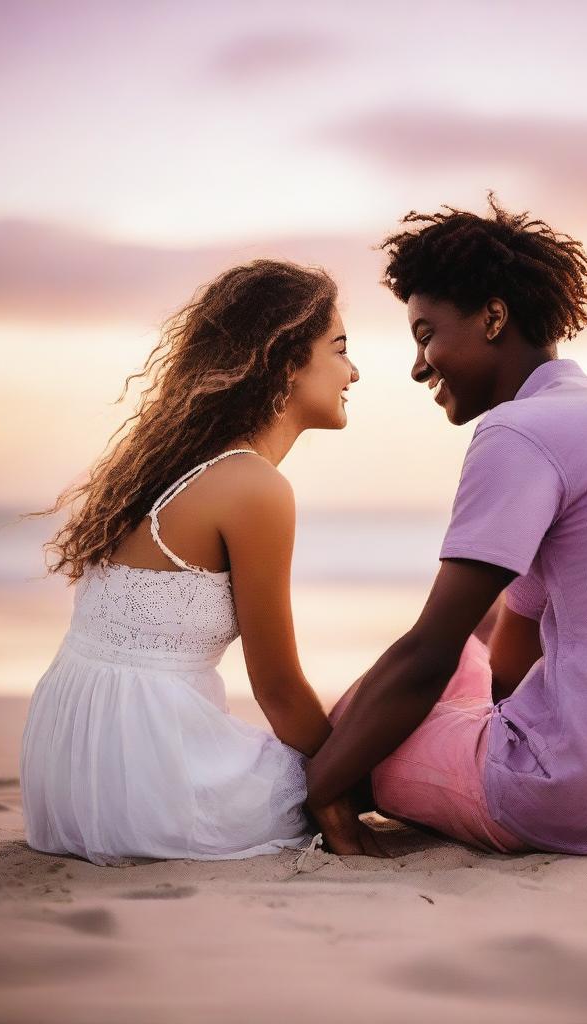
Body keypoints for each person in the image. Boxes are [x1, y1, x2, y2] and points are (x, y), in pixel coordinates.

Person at [309, 196, 587, 856]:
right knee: (465, 649)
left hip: (573, 796)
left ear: (494, 317)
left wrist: (320, 786)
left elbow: (428, 653)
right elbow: (509, 644)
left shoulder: (517, 431)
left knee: (359, 720)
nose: (418, 365)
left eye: (425, 334)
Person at [20, 259, 372, 865]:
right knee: (377, 742)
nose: (354, 372)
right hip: (150, 789)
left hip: (71, 779)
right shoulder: (253, 486)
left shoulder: (172, 466)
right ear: (286, 363)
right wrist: (345, 796)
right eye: (339, 349)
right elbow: (278, 688)